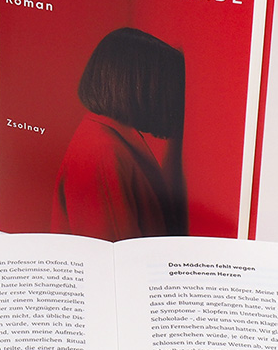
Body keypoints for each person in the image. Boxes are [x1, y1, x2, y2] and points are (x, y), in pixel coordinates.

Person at [51, 27, 188, 241]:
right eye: (163, 87)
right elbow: (113, 249)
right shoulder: (102, 153)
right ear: (138, 86)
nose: (169, 101)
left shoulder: (107, 137)